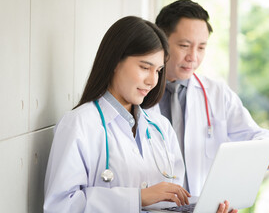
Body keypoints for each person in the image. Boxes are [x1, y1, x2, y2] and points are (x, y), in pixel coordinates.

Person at [43, 16, 191, 212]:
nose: (152, 80)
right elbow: (60, 206)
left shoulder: (161, 128)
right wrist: (137, 198)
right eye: (145, 67)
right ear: (114, 62)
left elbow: (175, 201)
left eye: (158, 70)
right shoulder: (79, 124)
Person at [152, 0, 269, 197]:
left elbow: (259, 136)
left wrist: (267, 152)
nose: (193, 57)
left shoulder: (217, 93)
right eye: (185, 45)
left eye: (201, 47)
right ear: (161, 40)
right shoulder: (140, 93)